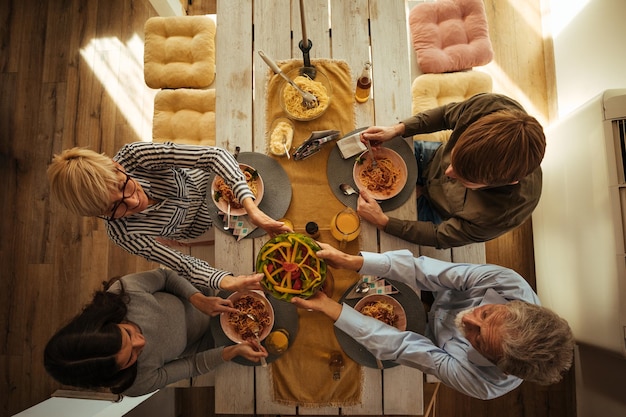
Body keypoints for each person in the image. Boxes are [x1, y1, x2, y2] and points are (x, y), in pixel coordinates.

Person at [291, 243, 574, 400]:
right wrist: (352, 262)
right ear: (514, 305)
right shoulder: (508, 282)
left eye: (477, 340)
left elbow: (403, 347)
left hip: (432, 342)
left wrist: (329, 307)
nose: (469, 321)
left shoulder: (483, 384)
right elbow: (428, 272)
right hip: (442, 294)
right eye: (486, 313)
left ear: (499, 366)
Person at [47, 141, 291, 291]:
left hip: (210, 185)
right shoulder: (121, 233)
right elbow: (181, 264)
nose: (134, 202)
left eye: (123, 185)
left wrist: (251, 209)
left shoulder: (135, 155)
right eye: (114, 208)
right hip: (198, 231)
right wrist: (225, 281)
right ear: (98, 214)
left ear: (116, 165)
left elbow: (214, 157)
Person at [358, 93, 546, 249]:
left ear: (507, 182)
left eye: (466, 179)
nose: (448, 172)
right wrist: (398, 129)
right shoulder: (491, 107)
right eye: (454, 158)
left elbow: (440, 236)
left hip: (438, 211)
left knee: (367, 228)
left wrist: (383, 222)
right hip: (430, 157)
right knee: (358, 156)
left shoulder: (501, 216)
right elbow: (446, 115)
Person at [44, 268, 268, 397]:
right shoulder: (135, 383)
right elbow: (192, 365)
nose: (141, 342)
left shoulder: (123, 294)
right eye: (131, 357)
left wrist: (198, 299)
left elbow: (166, 277)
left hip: (207, 294)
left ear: (106, 321)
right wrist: (233, 351)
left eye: (128, 334)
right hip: (213, 341)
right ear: (116, 374)